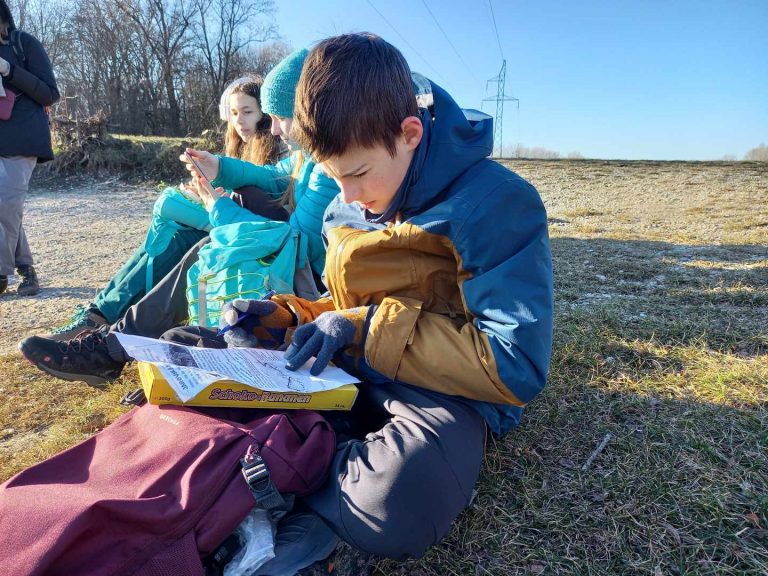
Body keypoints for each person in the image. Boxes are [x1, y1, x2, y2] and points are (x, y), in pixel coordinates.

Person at [214, 33, 555, 563]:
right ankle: (302, 457)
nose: (346, 197)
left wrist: (363, 329)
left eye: (357, 173)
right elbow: (345, 303)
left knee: (397, 500)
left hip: (443, 393)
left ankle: (291, 459)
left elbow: (515, 364)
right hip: (350, 370)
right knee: (207, 353)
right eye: (332, 177)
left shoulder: (496, 203)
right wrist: (289, 313)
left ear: (411, 133)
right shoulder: (349, 200)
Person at [19, 48, 341, 389]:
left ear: (306, 113)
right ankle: (108, 338)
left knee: (200, 243)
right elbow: (275, 178)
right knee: (186, 238)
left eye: (278, 117)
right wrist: (221, 168)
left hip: (307, 287)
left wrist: (218, 207)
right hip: (293, 269)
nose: (272, 128)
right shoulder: (307, 157)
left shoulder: (326, 167)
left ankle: (109, 343)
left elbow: (298, 246)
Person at [49, 75, 284, 338]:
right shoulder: (240, 147)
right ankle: (100, 312)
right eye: (234, 113)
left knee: (173, 225)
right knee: (171, 232)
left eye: (248, 111)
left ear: (265, 112)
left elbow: (261, 202)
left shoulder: (277, 150)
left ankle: (102, 315)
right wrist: (206, 191)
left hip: (249, 233)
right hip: (229, 222)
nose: (239, 120)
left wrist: (212, 199)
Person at [0, 0, 59, 296]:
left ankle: (1, 273)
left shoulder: (23, 44)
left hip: (22, 139)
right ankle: (27, 270)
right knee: (5, 207)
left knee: (6, 203)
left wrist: (9, 70)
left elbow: (50, 93)